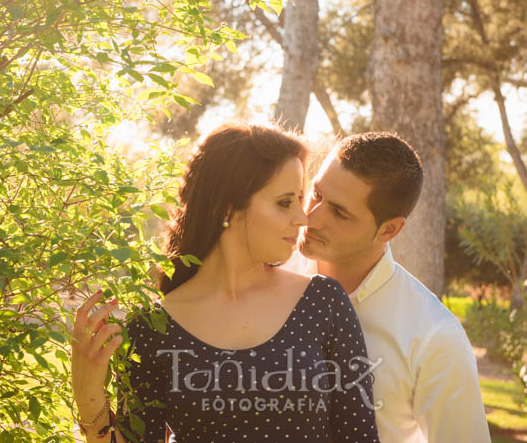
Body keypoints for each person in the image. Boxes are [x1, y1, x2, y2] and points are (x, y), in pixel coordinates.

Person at [71, 123, 381, 443]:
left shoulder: (323, 301)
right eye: (285, 202)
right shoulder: (151, 327)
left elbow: (359, 437)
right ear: (229, 206)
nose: (303, 218)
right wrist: (89, 399)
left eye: (300, 199)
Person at [296, 132, 491, 443]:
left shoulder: (434, 336)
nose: (311, 217)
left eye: (340, 212)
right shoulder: (264, 272)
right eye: (316, 194)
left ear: (389, 229)